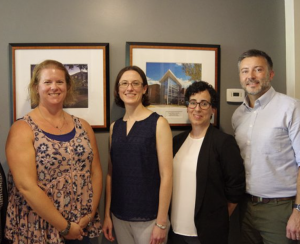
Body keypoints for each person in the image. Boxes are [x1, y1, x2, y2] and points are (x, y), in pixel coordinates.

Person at [5, 60, 103, 243]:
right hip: (39, 228)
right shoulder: (22, 129)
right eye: (47, 82)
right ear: (36, 87)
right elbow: (26, 187)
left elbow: (95, 172)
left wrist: (88, 216)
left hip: (81, 225)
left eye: (59, 82)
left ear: (67, 86)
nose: (54, 87)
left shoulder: (83, 126)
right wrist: (64, 227)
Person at [232, 49, 300, 244]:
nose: (251, 76)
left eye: (258, 70)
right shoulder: (238, 115)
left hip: (281, 210)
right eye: (245, 71)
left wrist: (298, 211)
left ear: (270, 74)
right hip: (246, 208)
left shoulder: (291, 108)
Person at [102, 66, 173, 244]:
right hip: (119, 216)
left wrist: (161, 222)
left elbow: (167, 175)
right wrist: (107, 215)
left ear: (144, 89)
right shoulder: (114, 128)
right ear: (118, 90)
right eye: (124, 83)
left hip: (150, 218)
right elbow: (111, 174)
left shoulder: (158, 123)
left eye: (135, 83)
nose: (129, 88)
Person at [168, 81, 245, 244]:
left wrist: (218, 219)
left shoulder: (223, 142)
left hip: (206, 234)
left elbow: (236, 187)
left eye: (204, 104)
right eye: (193, 103)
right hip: (174, 230)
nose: (197, 109)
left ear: (213, 110)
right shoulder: (177, 141)